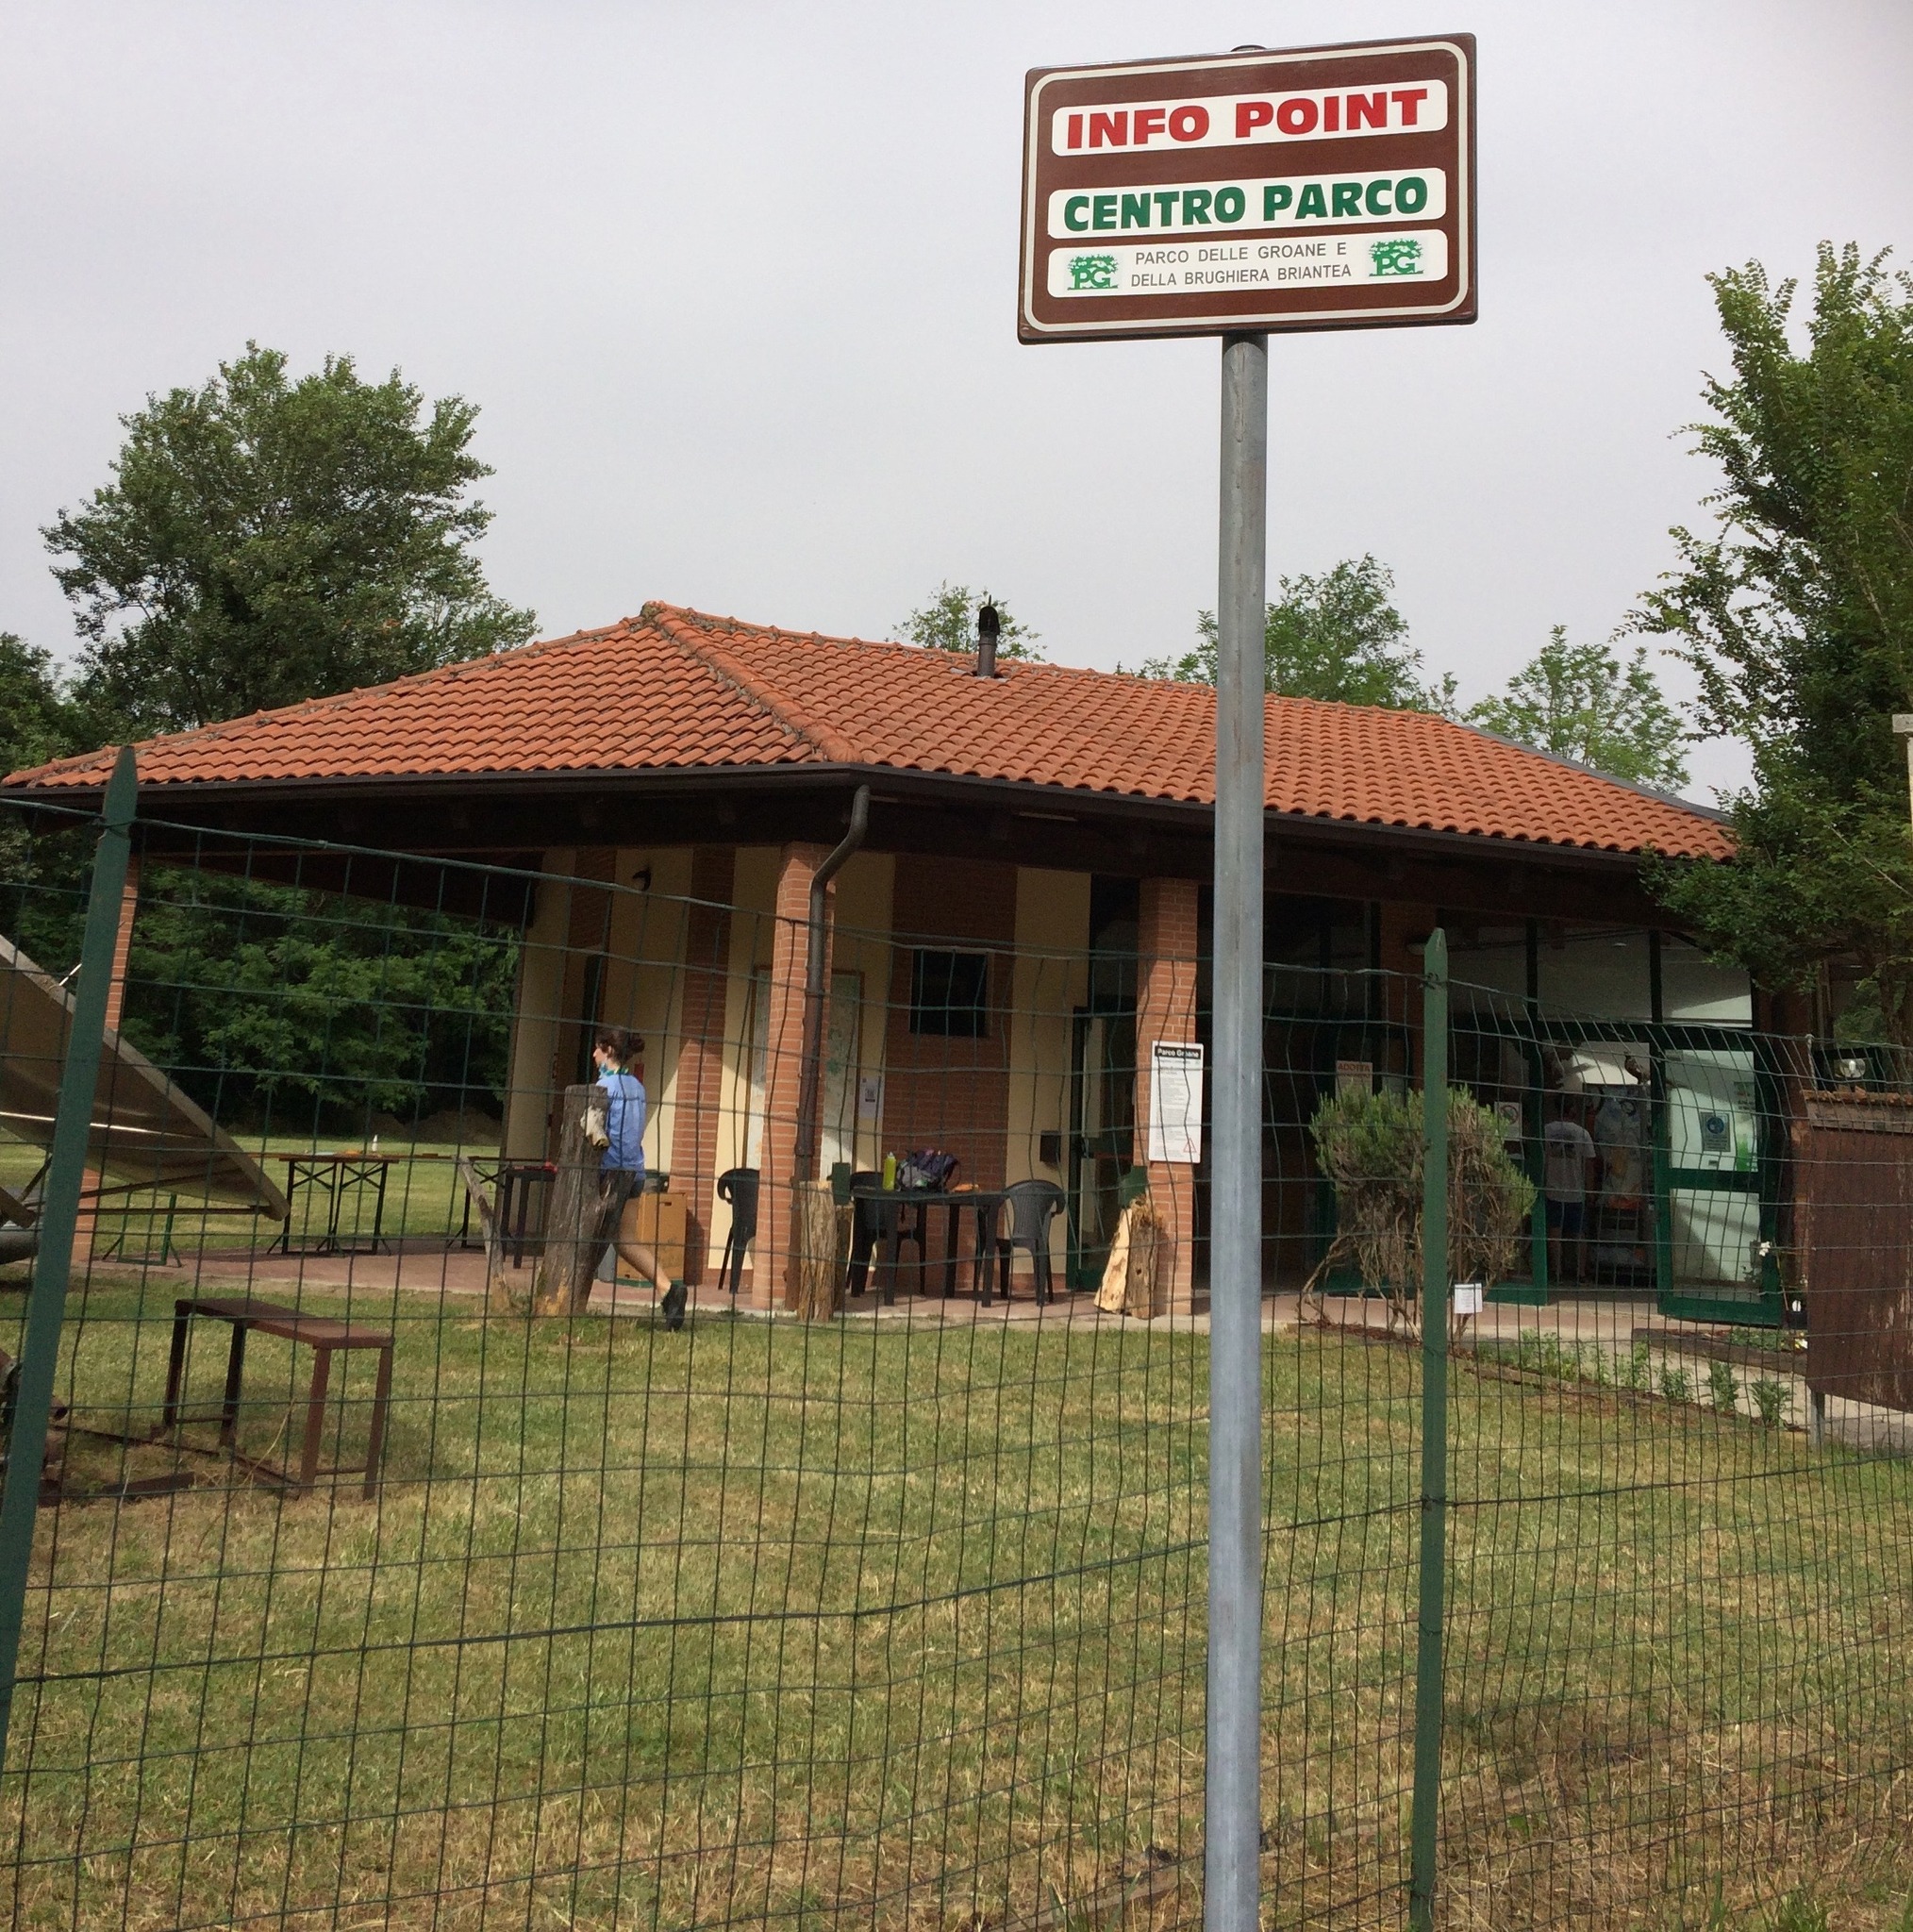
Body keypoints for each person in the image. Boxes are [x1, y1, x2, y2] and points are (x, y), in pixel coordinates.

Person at [591, 1026, 687, 1329]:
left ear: (608, 1050)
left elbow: (596, 1132)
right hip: (634, 1171)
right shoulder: (637, 1087)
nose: (593, 1054)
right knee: (626, 1239)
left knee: (590, 1234)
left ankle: (569, 1297)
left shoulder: (604, 1086)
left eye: (597, 1048)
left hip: (610, 1172)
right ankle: (668, 1289)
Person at [1543, 1097, 1599, 1285]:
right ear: (1574, 1110)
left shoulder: (1546, 1131)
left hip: (1552, 1189)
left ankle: (1556, 1271)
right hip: (1576, 1191)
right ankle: (1580, 1273)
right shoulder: (1582, 1133)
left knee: (1555, 1233)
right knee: (1580, 1234)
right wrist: (1590, 1191)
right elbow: (1590, 1165)